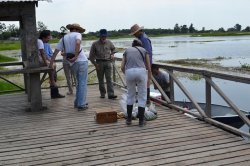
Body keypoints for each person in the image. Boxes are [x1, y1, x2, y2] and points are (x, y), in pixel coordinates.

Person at [50, 23, 88, 111]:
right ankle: (81, 104)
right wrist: (76, 56)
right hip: (81, 61)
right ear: (77, 29)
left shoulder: (63, 38)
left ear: (70, 29)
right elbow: (78, 43)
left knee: (79, 83)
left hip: (72, 64)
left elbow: (56, 52)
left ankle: (77, 102)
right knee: (82, 83)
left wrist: (50, 63)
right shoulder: (78, 35)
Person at [121, 39, 151, 127]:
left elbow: (122, 66)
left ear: (132, 45)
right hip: (141, 72)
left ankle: (129, 120)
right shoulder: (144, 50)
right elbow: (148, 66)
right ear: (140, 45)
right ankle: (141, 121)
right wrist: (149, 77)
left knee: (130, 95)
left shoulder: (127, 51)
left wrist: (127, 74)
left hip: (129, 72)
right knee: (142, 96)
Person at [89, 29, 117, 99]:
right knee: (100, 79)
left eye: (105, 36)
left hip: (108, 62)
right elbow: (91, 56)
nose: (104, 38)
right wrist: (95, 64)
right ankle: (102, 94)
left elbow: (114, 49)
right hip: (99, 63)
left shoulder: (109, 42)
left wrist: (112, 55)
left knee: (109, 79)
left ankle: (111, 94)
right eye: (102, 36)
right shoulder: (94, 44)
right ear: (100, 36)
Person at [130, 24, 153, 104]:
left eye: (135, 33)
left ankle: (147, 100)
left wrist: (147, 66)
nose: (134, 35)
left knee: (146, 83)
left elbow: (148, 53)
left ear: (139, 31)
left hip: (145, 65)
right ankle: (143, 99)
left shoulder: (144, 39)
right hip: (141, 65)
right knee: (142, 83)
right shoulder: (141, 38)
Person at [37, 30, 64, 99]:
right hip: (38, 61)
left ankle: (52, 80)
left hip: (37, 60)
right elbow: (42, 53)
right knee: (52, 65)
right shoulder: (40, 42)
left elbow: (45, 54)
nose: (49, 39)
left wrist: (49, 61)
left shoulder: (40, 41)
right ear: (43, 37)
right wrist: (47, 63)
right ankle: (52, 80)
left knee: (53, 65)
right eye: (48, 38)